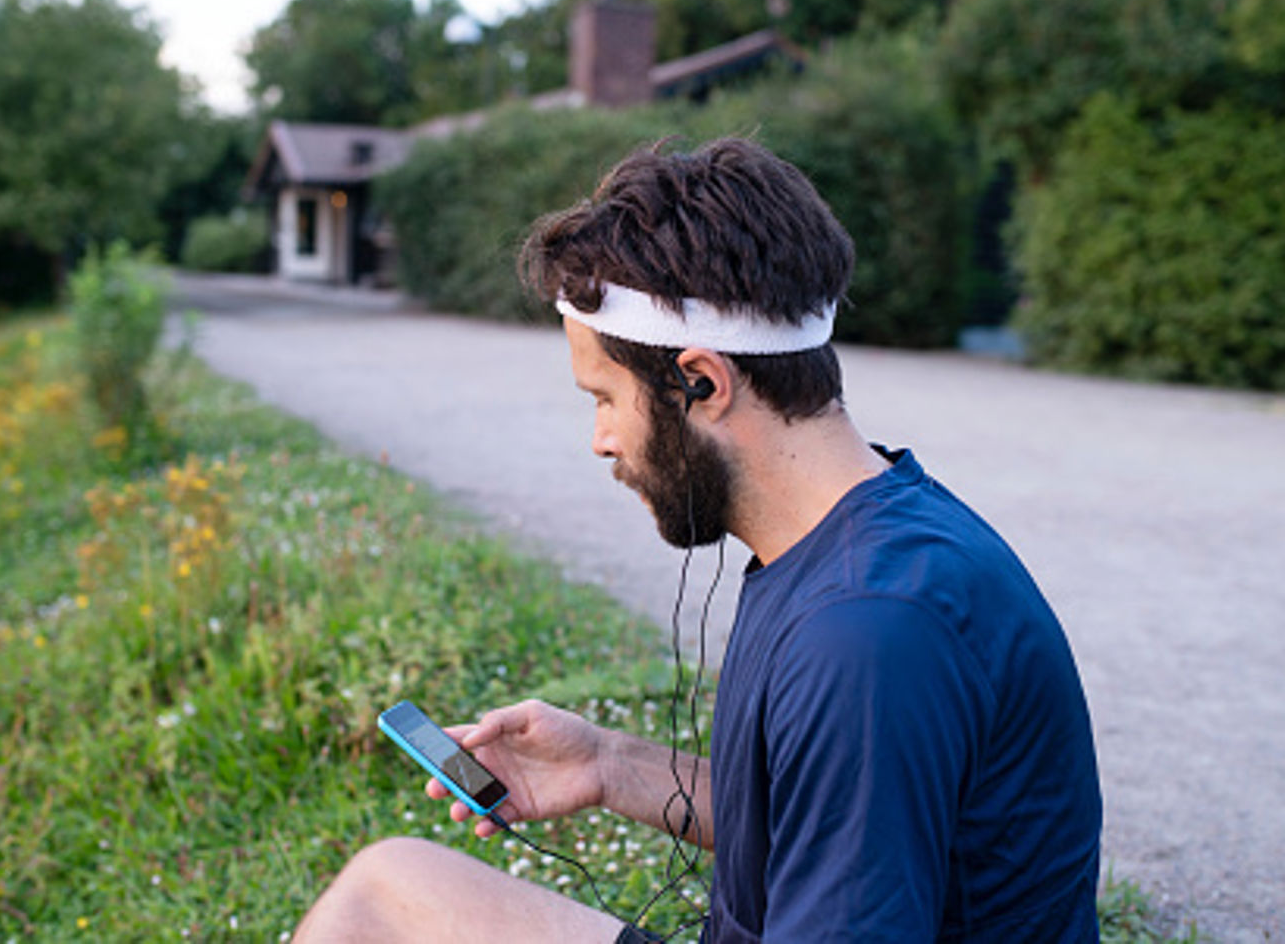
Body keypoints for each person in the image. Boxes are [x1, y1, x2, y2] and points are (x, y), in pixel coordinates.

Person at [293, 138, 1102, 943]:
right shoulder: (861, 536)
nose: (601, 440)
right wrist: (608, 763)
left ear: (703, 382)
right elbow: (826, 820)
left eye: (604, 397)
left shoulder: (869, 634)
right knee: (386, 885)